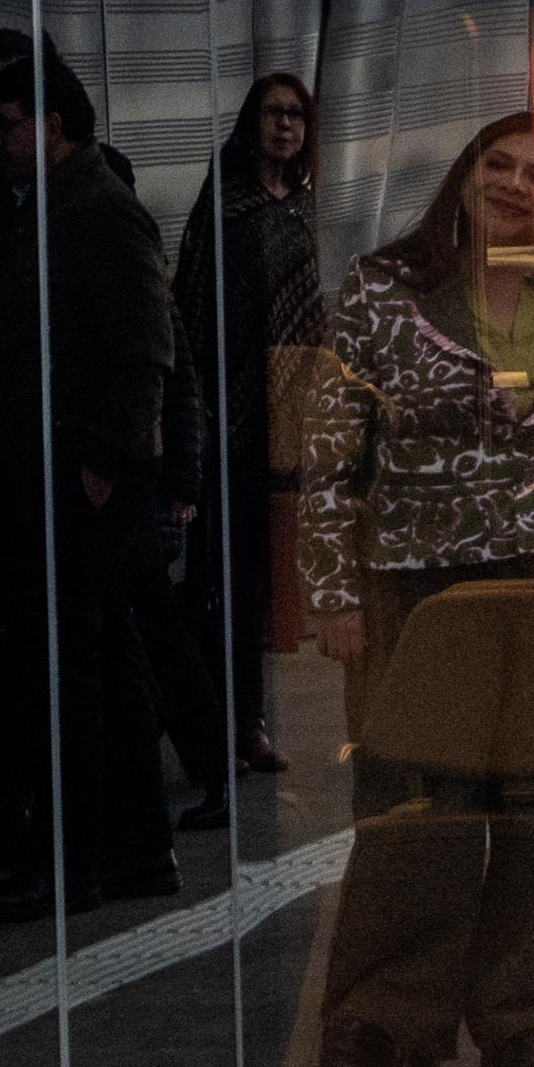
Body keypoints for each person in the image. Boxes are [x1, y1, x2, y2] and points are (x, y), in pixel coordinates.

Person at [303, 112, 534, 1067]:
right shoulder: (381, 288)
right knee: (414, 804)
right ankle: (383, 1013)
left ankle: (526, 1014)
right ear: (465, 174)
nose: (519, 185)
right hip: (419, 578)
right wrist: (332, 590)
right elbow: (328, 450)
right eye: (500, 164)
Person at [0, 42, 182, 919]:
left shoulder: (94, 206)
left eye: (9, 124)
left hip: (86, 471)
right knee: (104, 656)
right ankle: (133, 851)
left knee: (71, 668)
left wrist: (102, 460)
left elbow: (147, 348)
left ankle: (75, 861)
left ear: (52, 125)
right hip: (68, 464)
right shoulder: (51, 203)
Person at [168, 72, 322, 784]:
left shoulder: (305, 206)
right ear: (251, 121)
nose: (284, 125)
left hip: (283, 421)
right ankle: (212, 725)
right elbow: (191, 304)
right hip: (225, 416)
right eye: (272, 112)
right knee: (216, 580)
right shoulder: (226, 202)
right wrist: (195, 410)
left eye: (295, 114)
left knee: (262, 583)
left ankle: (248, 720)